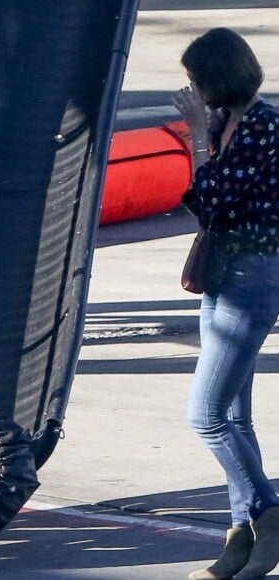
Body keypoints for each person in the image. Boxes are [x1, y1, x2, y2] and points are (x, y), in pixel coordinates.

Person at [172, 28, 279, 580]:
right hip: (223, 271)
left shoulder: (264, 126)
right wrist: (206, 135)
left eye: (197, 80)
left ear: (220, 76)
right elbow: (203, 207)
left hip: (252, 275)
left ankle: (269, 512)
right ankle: (241, 540)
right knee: (235, 412)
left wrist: (195, 138)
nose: (193, 91)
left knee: (206, 414)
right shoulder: (227, 123)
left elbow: (210, 194)